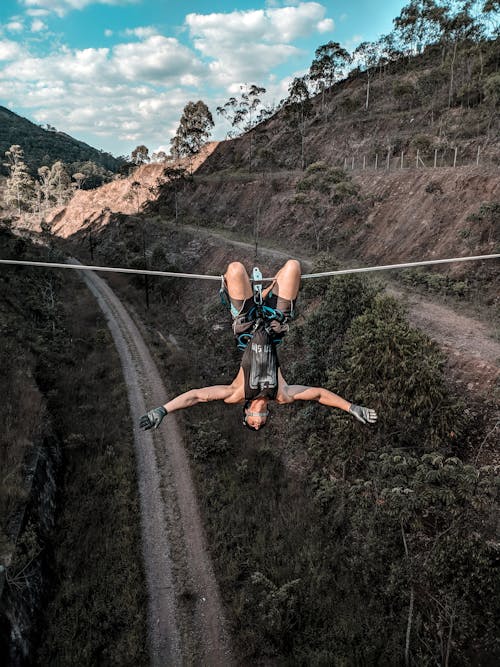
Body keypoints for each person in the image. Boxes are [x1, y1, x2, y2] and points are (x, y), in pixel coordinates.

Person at [139, 260, 377, 432]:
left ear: (246, 411)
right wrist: (351, 407)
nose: (259, 419)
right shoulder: (281, 394)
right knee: (293, 266)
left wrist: (162, 410)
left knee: (235, 269)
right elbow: (318, 394)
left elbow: (196, 397)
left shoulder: (236, 393)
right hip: (275, 324)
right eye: (261, 421)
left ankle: (250, 296)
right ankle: (264, 294)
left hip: (247, 323)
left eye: (253, 421)